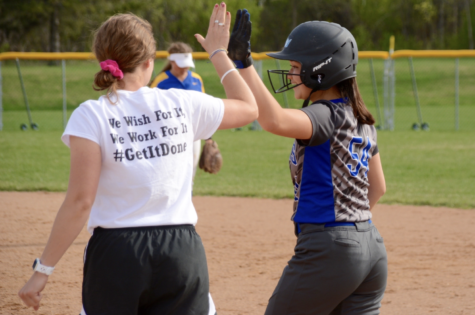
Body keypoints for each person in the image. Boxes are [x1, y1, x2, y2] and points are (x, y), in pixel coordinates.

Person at [18, 4, 257, 314]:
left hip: (116, 253)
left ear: (103, 60)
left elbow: (80, 202)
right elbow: (249, 108)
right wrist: (218, 53)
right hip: (181, 251)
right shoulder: (183, 102)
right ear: (149, 62)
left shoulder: (92, 114)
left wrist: (42, 271)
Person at [227, 10, 387, 315]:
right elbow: (378, 188)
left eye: (295, 66)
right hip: (371, 248)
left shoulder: (324, 114)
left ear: (320, 71)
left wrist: (244, 65)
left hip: (331, 249)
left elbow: (272, 120)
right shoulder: (362, 120)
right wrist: (352, 234)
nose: (289, 74)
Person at [150, 42, 209, 184]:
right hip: (167, 133)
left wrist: (209, 137)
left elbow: (203, 108)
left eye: (187, 63)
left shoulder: (196, 79)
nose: (185, 67)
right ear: (172, 61)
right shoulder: (161, 81)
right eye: (180, 64)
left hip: (193, 132)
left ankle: (187, 198)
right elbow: (149, 108)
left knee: (191, 169)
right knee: (169, 170)